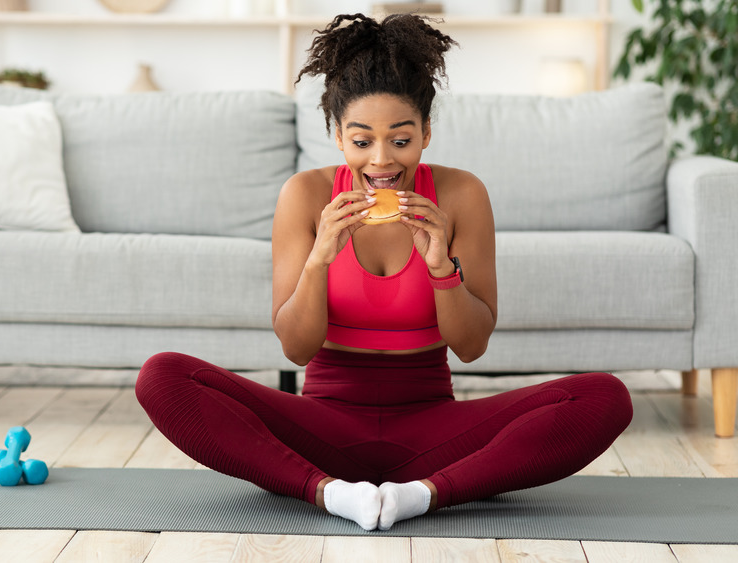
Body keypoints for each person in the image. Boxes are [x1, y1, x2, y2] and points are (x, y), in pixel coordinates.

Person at [135, 12, 632, 531]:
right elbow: (296, 349)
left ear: (426, 132)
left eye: (400, 140)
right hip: (322, 429)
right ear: (337, 135)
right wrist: (319, 259)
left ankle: (420, 496)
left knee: (603, 397)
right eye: (361, 140)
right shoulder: (304, 196)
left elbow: (472, 346)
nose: (381, 161)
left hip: (433, 432)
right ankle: (328, 494)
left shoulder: (463, 194)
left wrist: (441, 268)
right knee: (163, 377)